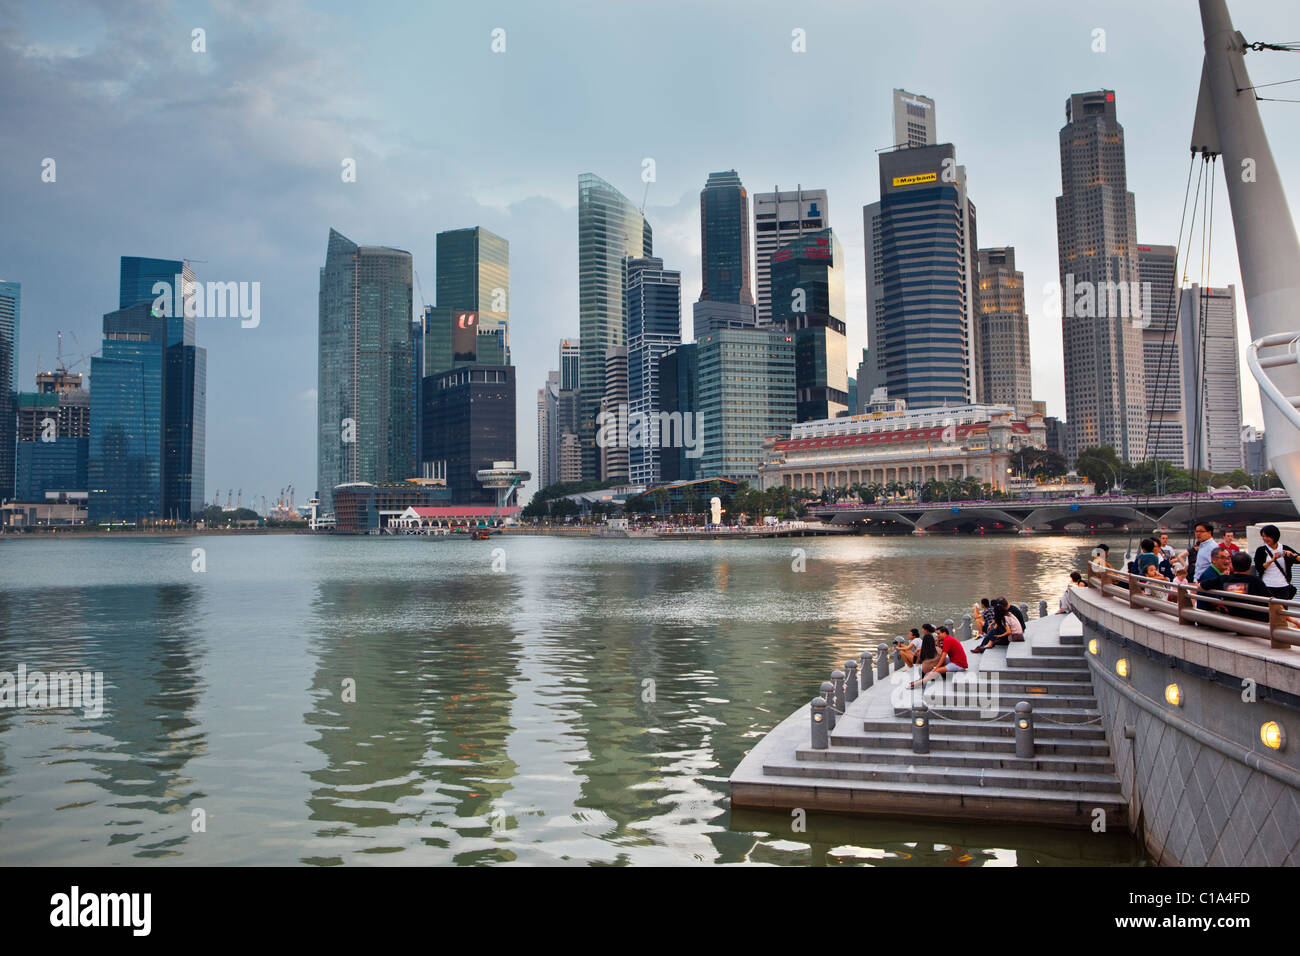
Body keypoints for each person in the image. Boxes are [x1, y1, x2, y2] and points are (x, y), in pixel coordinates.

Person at [1201, 551, 1271, 623]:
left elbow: (1201, 585)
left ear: (1232, 566)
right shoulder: (1256, 581)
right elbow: (1270, 599)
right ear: (1250, 567)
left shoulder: (1224, 579)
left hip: (1234, 618)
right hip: (1256, 620)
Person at [1255, 524, 1300, 600]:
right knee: (1268, 609)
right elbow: (1259, 568)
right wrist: (1272, 560)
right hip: (1267, 585)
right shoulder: (1261, 550)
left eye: (1267, 536)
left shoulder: (1284, 548)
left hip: (1283, 586)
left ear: (1274, 536)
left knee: (1282, 610)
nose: (1265, 539)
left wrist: (1292, 555)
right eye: (1263, 536)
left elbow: (1298, 559)